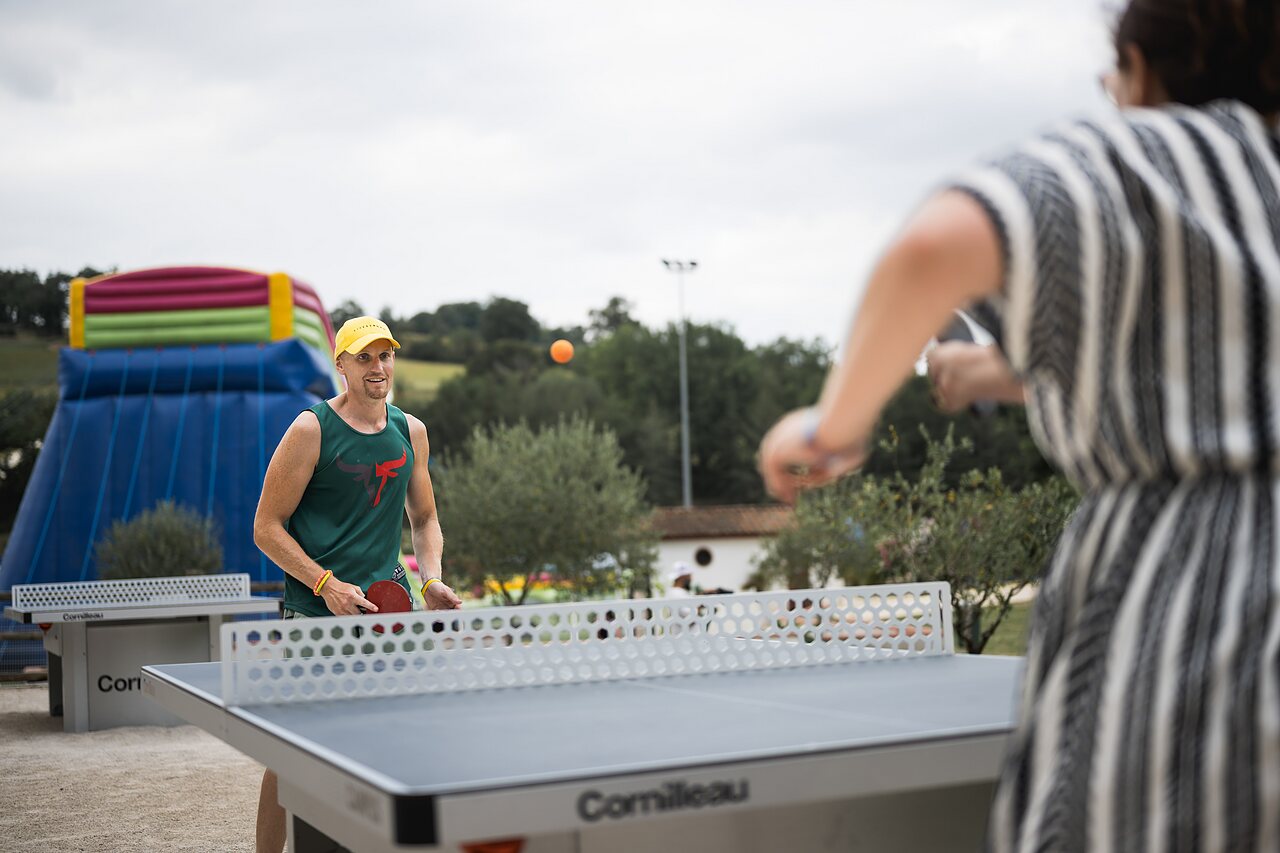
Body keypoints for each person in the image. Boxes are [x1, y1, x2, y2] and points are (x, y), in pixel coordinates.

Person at [759, 1, 1280, 849]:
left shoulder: (1148, 151)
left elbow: (936, 243)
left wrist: (833, 424)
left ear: (1143, 68)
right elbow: (1224, 359)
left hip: (1199, 595)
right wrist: (1003, 371)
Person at [250, 315, 462, 853]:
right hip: (315, 614)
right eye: (364, 357)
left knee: (399, 739)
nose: (377, 367)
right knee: (294, 749)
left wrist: (431, 579)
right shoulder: (311, 430)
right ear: (340, 365)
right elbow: (266, 528)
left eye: (384, 355)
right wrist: (325, 584)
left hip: (390, 614)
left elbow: (425, 518)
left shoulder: (411, 431)